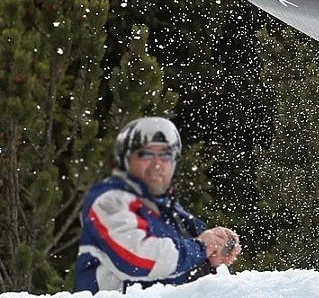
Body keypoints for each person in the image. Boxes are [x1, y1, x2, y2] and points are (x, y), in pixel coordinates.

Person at [74, 117, 241, 293]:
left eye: (165, 155)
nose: (157, 164)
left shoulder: (172, 211)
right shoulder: (108, 200)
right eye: (146, 154)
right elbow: (135, 258)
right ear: (126, 160)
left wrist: (213, 262)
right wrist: (201, 248)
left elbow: (185, 271)